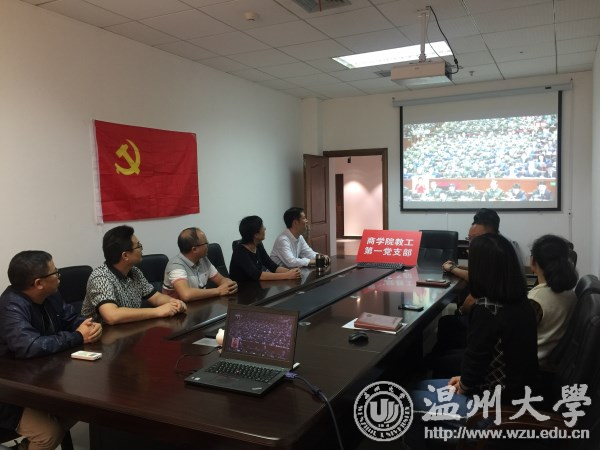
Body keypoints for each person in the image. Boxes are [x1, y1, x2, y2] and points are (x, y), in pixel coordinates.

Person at [407, 234, 539, 449]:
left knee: (406, 401)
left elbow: (475, 361)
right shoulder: (521, 302)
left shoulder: (487, 308)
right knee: (419, 385)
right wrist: (464, 380)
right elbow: (490, 362)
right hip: (512, 396)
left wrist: (464, 384)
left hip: (491, 412)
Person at [0, 251, 103, 450]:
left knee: (81, 409)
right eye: (55, 272)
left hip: (43, 379)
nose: (59, 276)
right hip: (9, 394)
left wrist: (89, 326)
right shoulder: (10, 306)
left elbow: (71, 319)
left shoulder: (50, 294)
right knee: (49, 434)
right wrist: (78, 336)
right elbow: (29, 346)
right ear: (39, 283)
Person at [81, 225, 187, 325]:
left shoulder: (135, 272)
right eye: (138, 246)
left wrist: (174, 302)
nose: (142, 249)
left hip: (129, 329)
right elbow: (112, 315)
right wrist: (158, 311)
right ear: (125, 255)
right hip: (101, 335)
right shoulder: (100, 277)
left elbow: (156, 298)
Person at [528, 235, 578, 370]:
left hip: (530, 366)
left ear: (533, 261)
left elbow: (514, 339)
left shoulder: (536, 300)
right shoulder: (571, 294)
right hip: (549, 361)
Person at [162, 227, 237, 301]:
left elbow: (221, 280)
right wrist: (219, 291)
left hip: (199, 305)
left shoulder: (203, 259)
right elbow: (186, 295)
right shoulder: (175, 266)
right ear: (194, 249)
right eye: (206, 243)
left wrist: (230, 285)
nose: (208, 245)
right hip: (179, 308)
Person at [229, 216, 301, 282]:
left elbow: (271, 265)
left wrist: (291, 272)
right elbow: (257, 275)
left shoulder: (258, 245)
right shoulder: (240, 251)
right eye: (262, 227)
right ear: (256, 235)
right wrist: (287, 275)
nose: (265, 229)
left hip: (256, 285)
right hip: (242, 289)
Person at [442, 208, 500, 283]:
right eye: (469, 238)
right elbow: (482, 271)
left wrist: (452, 268)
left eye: (476, 238)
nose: (471, 243)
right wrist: (459, 267)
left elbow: (479, 277)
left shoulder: (498, 249)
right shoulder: (498, 242)